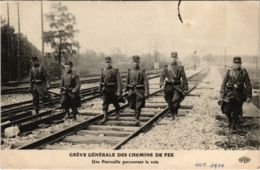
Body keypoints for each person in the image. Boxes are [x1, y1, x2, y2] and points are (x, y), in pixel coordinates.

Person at [218, 56, 252, 130]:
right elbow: (223, 83)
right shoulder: (229, 71)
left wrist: (249, 95)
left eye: (238, 63)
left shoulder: (244, 72)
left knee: (237, 110)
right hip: (229, 93)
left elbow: (248, 84)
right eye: (235, 63)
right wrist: (221, 95)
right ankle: (230, 120)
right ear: (233, 63)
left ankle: (233, 125)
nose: (237, 64)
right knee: (227, 109)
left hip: (239, 94)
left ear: (240, 63)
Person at [160, 52, 188, 120]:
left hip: (177, 86)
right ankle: (173, 115)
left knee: (175, 101)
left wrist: (185, 87)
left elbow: (184, 78)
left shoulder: (180, 68)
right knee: (169, 102)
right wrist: (161, 84)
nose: (173, 59)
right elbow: (162, 76)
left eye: (175, 58)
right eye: (172, 58)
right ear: (170, 58)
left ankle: (175, 113)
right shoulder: (167, 67)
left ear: (177, 59)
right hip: (168, 86)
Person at [124, 55, 149, 124]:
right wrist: (125, 90)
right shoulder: (129, 71)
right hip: (131, 90)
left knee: (138, 104)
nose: (135, 63)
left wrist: (146, 91)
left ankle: (136, 118)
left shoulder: (142, 71)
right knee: (132, 104)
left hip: (139, 90)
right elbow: (127, 81)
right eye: (134, 62)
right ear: (132, 62)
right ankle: (136, 115)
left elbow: (145, 81)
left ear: (139, 62)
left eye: (137, 62)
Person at [99, 56, 122, 123]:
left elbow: (119, 82)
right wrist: (99, 90)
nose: (108, 64)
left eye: (109, 62)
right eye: (106, 62)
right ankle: (105, 117)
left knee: (115, 102)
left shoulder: (115, 70)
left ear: (111, 63)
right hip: (105, 90)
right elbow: (100, 81)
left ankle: (117, 112)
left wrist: (119, 91)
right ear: (105, 63)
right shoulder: (103, 70)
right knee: (105, 103)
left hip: (113, 90)